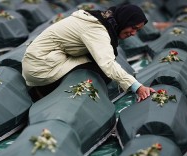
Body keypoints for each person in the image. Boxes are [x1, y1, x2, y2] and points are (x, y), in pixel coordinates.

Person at [22, 4, 155, 102]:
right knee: (100, 70)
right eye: (133, 27)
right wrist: (137, 87)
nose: (133, 33)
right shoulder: (96, 29)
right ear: (124, 20)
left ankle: (45, 89)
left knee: (98, 62)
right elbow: (108, 64)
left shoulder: (100, 19)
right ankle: (43, 92)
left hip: (43, 60)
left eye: (137, 30)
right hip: (40, 66)